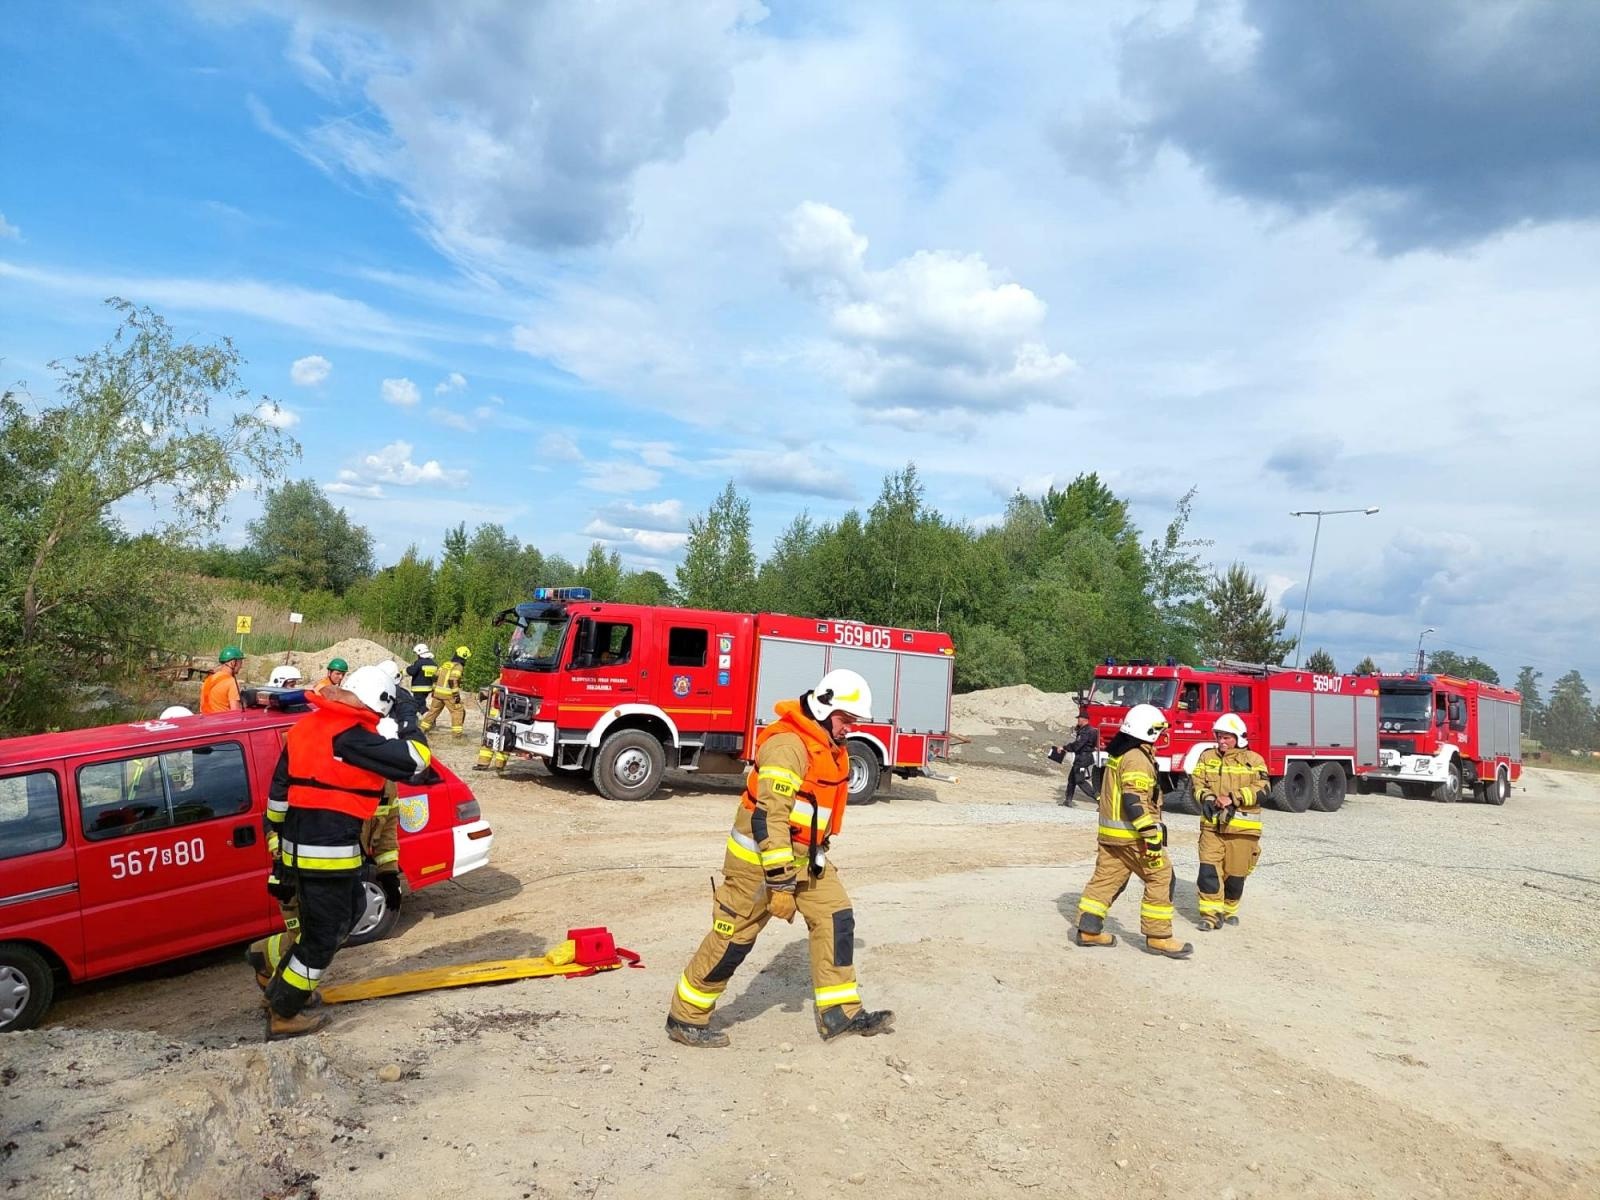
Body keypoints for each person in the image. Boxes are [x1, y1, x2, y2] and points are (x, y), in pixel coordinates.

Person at [666, 668, 895, 1048]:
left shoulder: (826, 744)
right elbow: (769, 818)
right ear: (823, 709)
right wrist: (781, 884)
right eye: (846, 719)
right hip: (759, 865)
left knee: (836, 918)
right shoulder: (788, 746)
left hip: (806, 859)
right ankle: (685, 1018)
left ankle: (841, 1014)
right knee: (733, 939)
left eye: (853, 721)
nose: (849, 728)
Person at [258, 665, 432, 1038]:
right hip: (328, 855)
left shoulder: (306, 728)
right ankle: (284, 1011)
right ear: (379, 703)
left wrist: (278, 851)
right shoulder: (351, 738)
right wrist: (407, 712)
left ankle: (280, 989)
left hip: (300, 851)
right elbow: (417, 758)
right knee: (324, 936)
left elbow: (277, 798)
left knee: (347, 912)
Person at [1073, 703, 1193, 959]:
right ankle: (1159, 937)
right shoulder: (1137, 757)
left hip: (1111, 835)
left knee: (1106, 880)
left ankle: (1089, 930)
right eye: (1159, 730)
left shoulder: (1120, 753)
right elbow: (1134, 800)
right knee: (1161, 877)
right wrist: (1150, 835)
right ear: (1148, 731)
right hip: (1132, 836)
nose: (1162, 735)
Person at [1190, 713, 1269, 930]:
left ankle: (1229, 909)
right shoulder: (1207, 757)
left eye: (1227, 737)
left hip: (1243, 829)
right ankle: (1210, 915)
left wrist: (1234, 798)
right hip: (1212, 827)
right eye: (1219, 737)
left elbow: (1264, 789)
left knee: (1235, 875)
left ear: (1239, 738)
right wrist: (1207, 798)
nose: (1222, 742)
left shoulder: (1254, 760)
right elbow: (1197, 783)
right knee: (1208, 871)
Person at [1051, 712, 1099, 806]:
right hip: (1084, 757)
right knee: (1072, 780)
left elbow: (1078, 745)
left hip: (1082, 759)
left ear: (1084, 719)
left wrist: (1064, 748)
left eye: (1079, 719)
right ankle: (1068, 800)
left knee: (1080, 781)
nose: (1078, 721)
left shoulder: (1085, 731)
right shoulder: (1092, 730)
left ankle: (1099, 799)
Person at [421, 646, 469, 737]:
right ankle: (457, 735)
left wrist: (434, 690)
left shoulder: (446, 664)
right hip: (448, 694)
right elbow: (452, 680)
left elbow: (435, 676)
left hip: (438, 693)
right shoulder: (458, 666)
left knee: (433, 712)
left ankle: (422, 729)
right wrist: (456, 696)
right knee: (458, 711)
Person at [199, 646, 246, 713]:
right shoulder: (232, 683)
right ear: (233, 663)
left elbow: (201, 708)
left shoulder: (209, 679)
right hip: (223, 719)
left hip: (205, 718)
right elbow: (235, 712)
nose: (241, 666)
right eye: (240, 663)